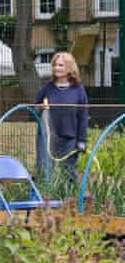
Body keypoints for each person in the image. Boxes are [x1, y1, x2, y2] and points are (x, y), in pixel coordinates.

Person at [35, 52, 88, 182]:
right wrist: (40, 107)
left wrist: (82, 140)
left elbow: (83, 116)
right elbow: (33, 110)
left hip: (69, 138)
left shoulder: (78, 89)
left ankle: (69, 200)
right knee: (44, 170)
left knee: (69, 172)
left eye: (60, 65)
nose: (56, 68)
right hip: (47, 138)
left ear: (69, 67)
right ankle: (45, 199)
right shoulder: (47, 88)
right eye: (54, 65)